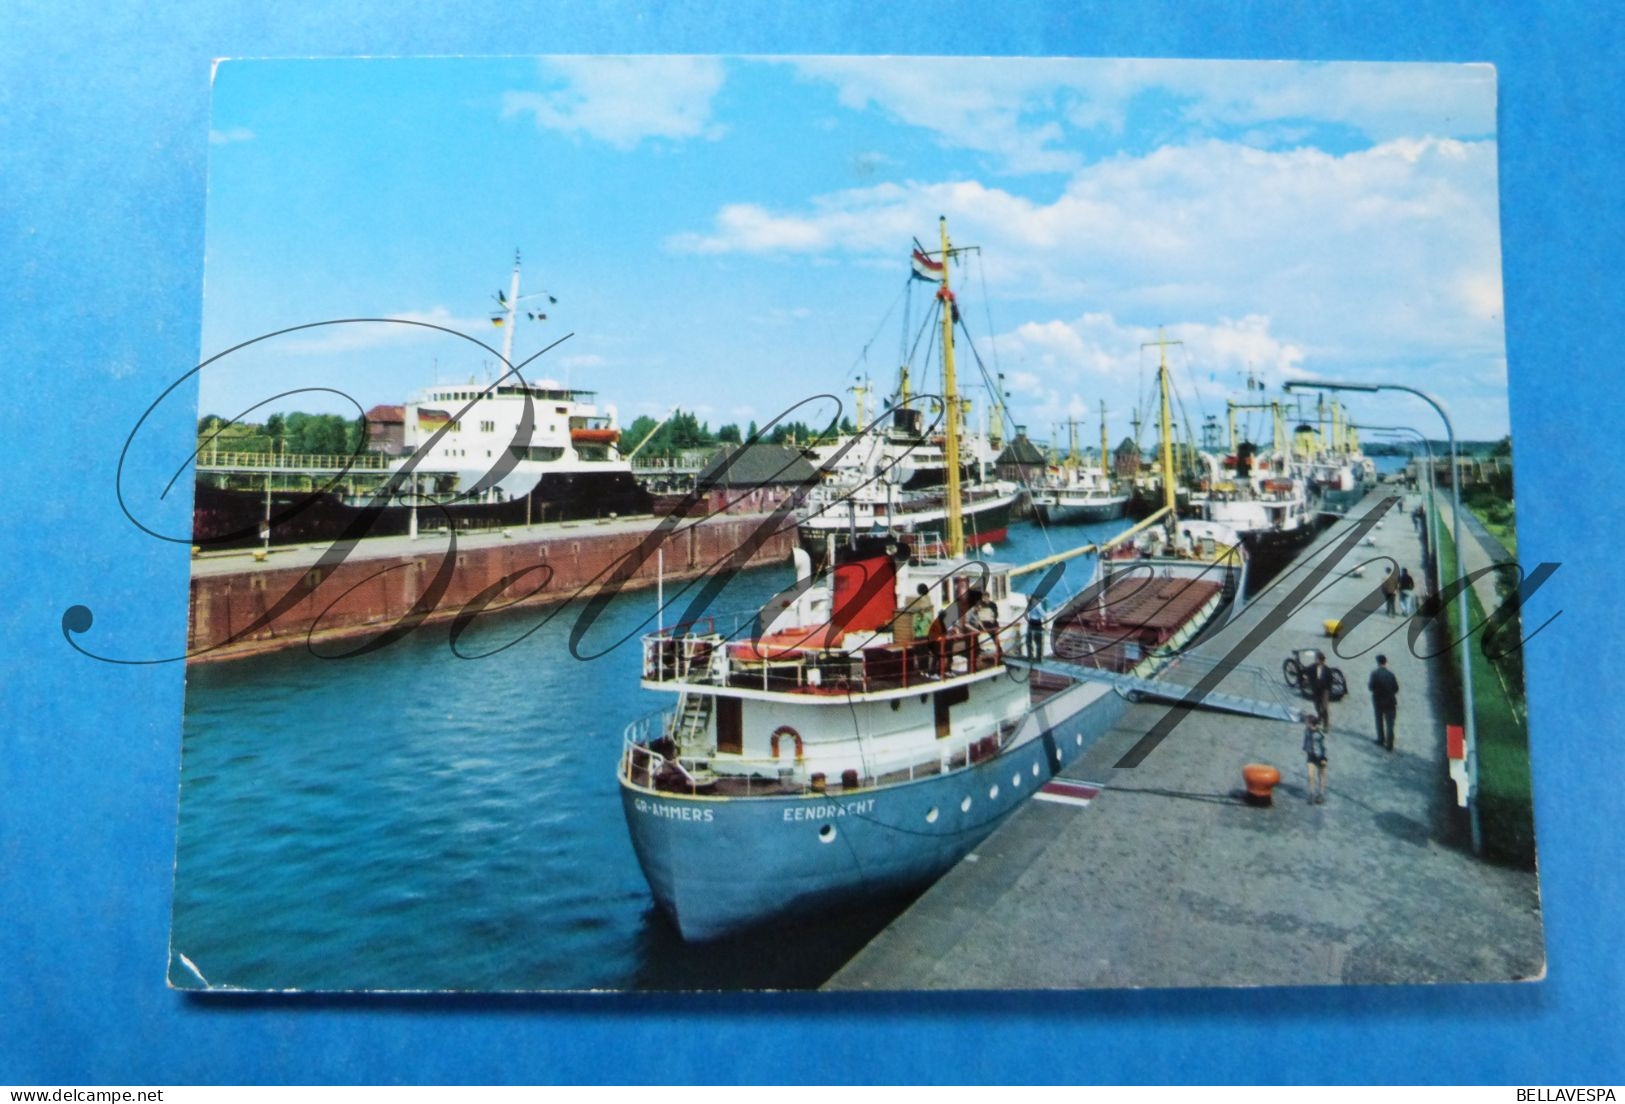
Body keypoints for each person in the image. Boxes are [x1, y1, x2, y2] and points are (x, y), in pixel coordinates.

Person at [1369, 654, 1399, 751]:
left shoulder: (1374, 674)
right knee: (1390, 723)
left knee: (1379, 720)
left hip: (1378, 701)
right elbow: (1396, 688)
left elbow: (1371, 687)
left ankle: (1381, 739)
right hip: (1390, 701)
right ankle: (1390, 745)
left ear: (1378, 662)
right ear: (1385, 662)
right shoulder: (1391, 674)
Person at [1302, 712, 1328, 804]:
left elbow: (1324, 744)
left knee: (1321, 775)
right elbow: (1306, 739)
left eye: (1307, 722)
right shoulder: (1307, 731)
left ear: (1311, 723)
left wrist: (1324, 759)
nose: (1305, 724)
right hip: (1311, 755)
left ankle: (1321, 794)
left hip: (1320, 756)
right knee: (1310, 775)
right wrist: (1305, 748)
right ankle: (1312, 793)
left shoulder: (1319, 733)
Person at [1307, 650, 1335, 732]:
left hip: (1324, 691)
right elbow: (1306, 673)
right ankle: (1320, 716)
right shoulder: (1311, 668)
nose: (1318, 661)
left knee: (1324, 707)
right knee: (1317, 705)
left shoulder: (1327, 670)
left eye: (1319, 660)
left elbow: (1330, 681)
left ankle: (1326, 725)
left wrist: (1328, 691)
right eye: (1317, 659)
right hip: (1316, 690)